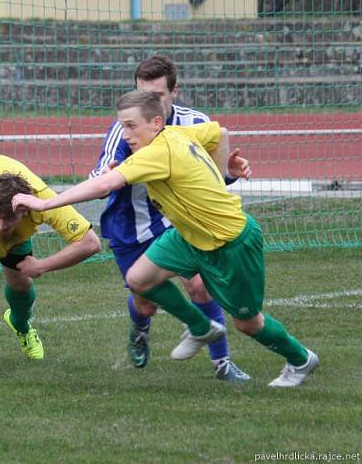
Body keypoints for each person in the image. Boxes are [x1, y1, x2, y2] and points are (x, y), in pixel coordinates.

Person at [13, 90, 318, 388]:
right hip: (189, 237)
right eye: (122, 126)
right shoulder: (177, 135)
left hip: (231, 243)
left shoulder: (158, 151)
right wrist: (222, 170)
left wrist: (43, 203)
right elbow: (218, 132)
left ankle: (300, 359)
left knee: (248, 323)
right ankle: (200, 327)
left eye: (132, 126)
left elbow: (104, 185)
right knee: (138, 278)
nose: (126, 134)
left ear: (156, 124)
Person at [91, 55, 250, 382]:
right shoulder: (125, 129)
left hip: (177, 220)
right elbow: (100, 174)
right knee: (146, 302)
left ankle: (223, 364)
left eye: (157, 96)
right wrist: (104, 174)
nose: (148, 103)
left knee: (199, 286)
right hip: (132, 224)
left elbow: (211, 176)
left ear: (174, 92)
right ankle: (141, 324)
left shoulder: (194, 123)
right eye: (142, 94)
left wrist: (230, 174)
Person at [0, 155, 102, 377]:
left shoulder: (43, 200)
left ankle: (20, 325)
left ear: (24, 209)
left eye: (9, 218)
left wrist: (41, 265)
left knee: (21, 280)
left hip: (6, 210)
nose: (2, 225)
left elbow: (91, 243)